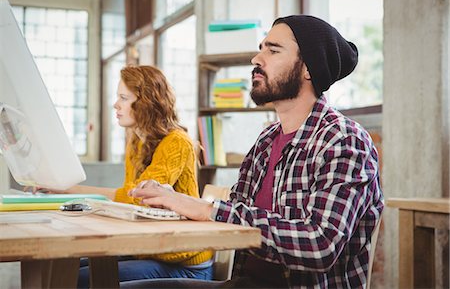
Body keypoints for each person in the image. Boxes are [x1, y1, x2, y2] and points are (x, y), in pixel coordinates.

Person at [129, 15, 384, 288]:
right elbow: (232, 218)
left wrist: (206, 209)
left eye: (272, 50)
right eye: (261, 48)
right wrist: (170, 205)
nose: (256, 59)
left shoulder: (344, 141)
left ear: (309, 68)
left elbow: (320, 244)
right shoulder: (266, 140)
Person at [59, 65, 214, 287]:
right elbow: (130, 202)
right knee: (69, 268)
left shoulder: (177, 142)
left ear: (146, 103)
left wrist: (70, 190)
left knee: (78, 279)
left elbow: (136, 196)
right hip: (151, 251)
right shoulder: (136, 141)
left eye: (123, 98)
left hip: (184, 263)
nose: (116, 105)